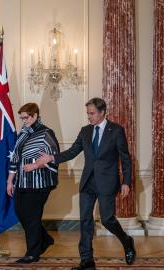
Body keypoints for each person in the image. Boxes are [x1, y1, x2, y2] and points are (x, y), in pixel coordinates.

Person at [33, 97, 136, 270]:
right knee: (85, 221)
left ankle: (126, 241)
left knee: (107, 219)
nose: (89, 117)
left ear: (103, 112)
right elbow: (73, 151)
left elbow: (125, 158)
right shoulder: (85, 131)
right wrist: (51, 158)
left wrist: (126, 182)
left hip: (107, 182)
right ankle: (87, 260)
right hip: (88, 182)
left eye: (92, 113)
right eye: (88, 113)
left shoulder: (116, 130)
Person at [6, 102, 60, 264]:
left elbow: (54, 157)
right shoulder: (23, 133)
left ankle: (32, 253)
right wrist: (10, 181)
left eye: (26, 117)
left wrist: (36, 164)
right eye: (21, 118)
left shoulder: (46, 133)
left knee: (32, 217)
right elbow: (15, 158)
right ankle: (45, 239)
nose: (23, 120)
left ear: (35, 115)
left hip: (40, 183)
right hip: (22, 182)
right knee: (21, 213)